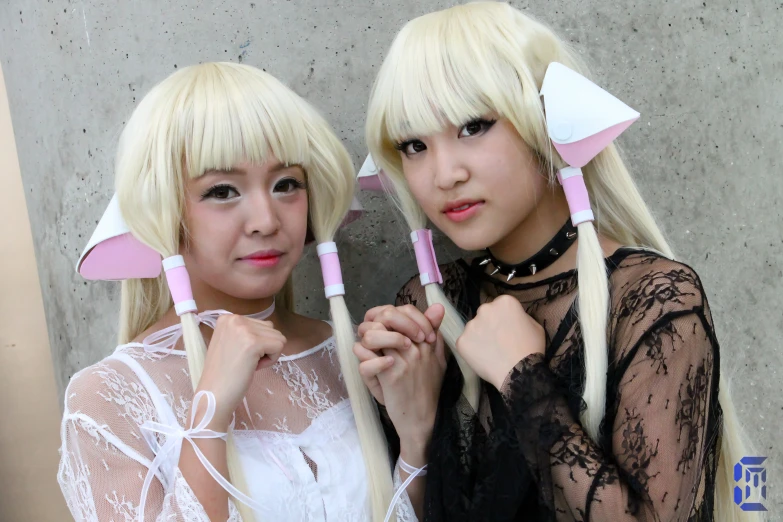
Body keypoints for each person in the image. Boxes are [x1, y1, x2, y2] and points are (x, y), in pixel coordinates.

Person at [357, 3, 755, 521]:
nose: (443, 173)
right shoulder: (432, 305)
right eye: (414, 145)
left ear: (546, 119)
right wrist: (414, 431)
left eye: (474, 126)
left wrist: (523, 380)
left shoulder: (651, 299)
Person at [57, 62, 412, 522]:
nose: (266, 219)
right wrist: (209, 412)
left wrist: (417, 434)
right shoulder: (108, 396)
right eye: (222, 191)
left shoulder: (348, 352)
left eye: (287, 184)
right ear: (164, 210)